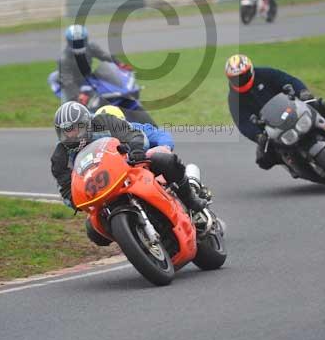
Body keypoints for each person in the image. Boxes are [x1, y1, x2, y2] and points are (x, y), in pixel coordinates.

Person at [51, 101, 208, 245]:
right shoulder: (60, 157)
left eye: (75, 129)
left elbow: (133, 134)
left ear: (86, 123)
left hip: (129, 168)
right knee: (94, 231)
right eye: (66, 131)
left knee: (164, 160)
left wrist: (138, 150)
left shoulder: (104, 122)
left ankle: (190, 199)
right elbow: (65, 189)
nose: (71, 135)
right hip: (100, 189)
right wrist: (75, 201)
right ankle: (132, 238)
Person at [225, 54, 325, 170]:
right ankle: (290, 164)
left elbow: (289, 80)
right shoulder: (233, 98)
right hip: (269, 127)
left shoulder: (265, 73)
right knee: (263, 160)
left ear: (250, 71)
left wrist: (302, 92)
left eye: (242, 76)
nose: (239, 80)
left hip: (290, 108)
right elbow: (242, 122)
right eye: (235, 78)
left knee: (319, 104)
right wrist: (257, 136)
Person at [59, 24, 131, 103]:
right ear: (69, 42)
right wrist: (78, 94)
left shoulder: (91, 47)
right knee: (70, 106)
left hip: (87, 78)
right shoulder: (64, 58)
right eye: (75, 43)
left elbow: (105, 55)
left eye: (81, 41)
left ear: (86, 40)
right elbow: (67, 80)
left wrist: (119, 63)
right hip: (73, 83)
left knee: (103, 93)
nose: (78, 44)